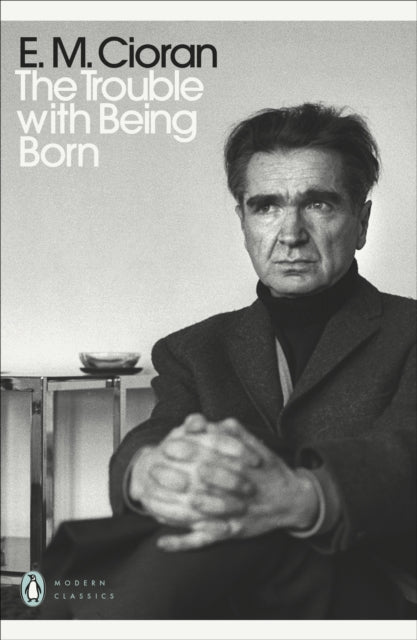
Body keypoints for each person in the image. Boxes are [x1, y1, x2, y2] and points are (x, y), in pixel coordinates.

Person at [43, 103, 416, 620]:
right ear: (243, 221)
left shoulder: (409, 331)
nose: (291, 233)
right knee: (193, 538)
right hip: (226, 581)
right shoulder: (193, 348)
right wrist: (149, 470)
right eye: (266, 207)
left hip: (374, 586)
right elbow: (162, 432)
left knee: (126, 570)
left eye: (319, 204)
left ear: (362, 222)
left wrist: (303, 495)